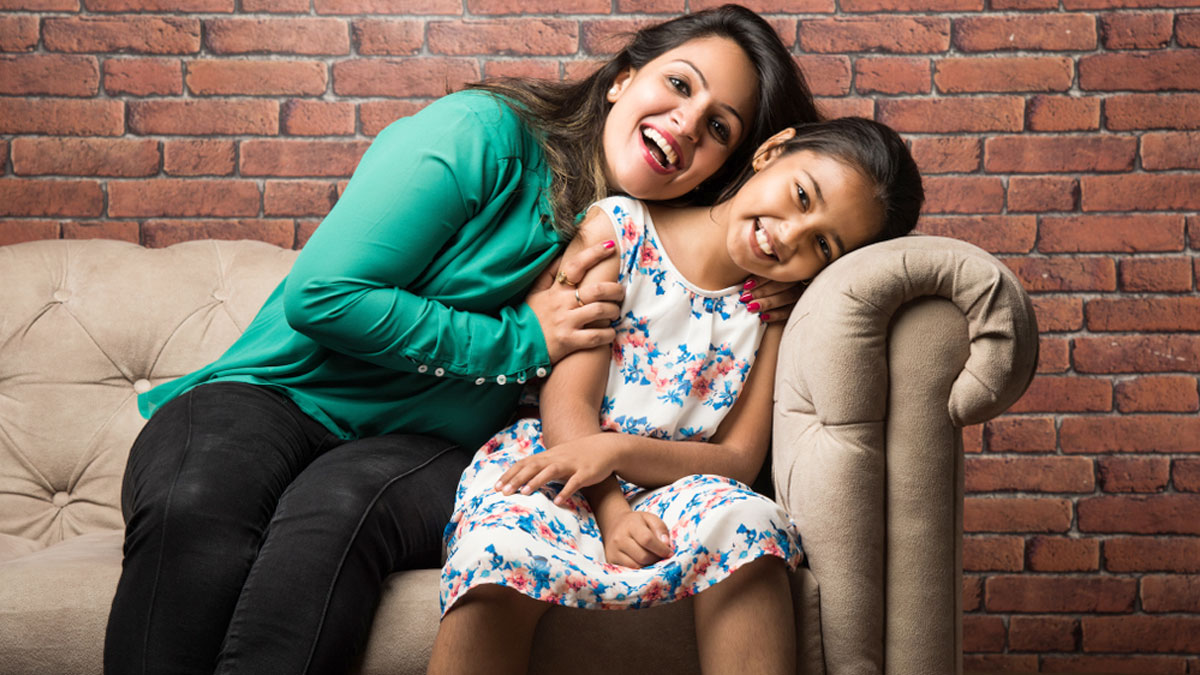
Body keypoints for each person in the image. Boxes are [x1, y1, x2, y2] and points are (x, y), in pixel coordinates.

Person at [103, 5, 820, 675]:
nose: (687, 124)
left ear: (731, 164)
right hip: (277, 395)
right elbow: (323, 294)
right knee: (195, 503)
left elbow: (797, 208)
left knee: (335, 519)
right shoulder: (484, 133)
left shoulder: (649, 245)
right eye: (679, 84)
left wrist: (790, 281)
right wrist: (522, 338)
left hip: (427, 450)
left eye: (719, 127)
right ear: (622, 78)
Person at [429, 117, 925, 675]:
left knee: (749, 523)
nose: (789, 236)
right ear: (771, 152)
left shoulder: (773, 309)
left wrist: (620, 452)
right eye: (801, 196)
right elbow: (567, 406)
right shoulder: (619, 232)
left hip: (678, 484)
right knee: (499, 554)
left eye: (822, 244)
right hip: (560, 463)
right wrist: (612, 511)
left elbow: (738, 460)